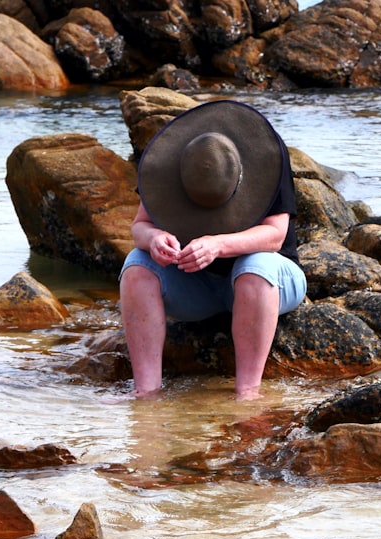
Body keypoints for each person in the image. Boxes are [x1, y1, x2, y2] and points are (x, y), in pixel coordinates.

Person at [119, 100, 307, 401]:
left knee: (255, 266)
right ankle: (146, 391)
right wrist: (154, 237)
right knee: (136, 264)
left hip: (271, 281)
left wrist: (218, 245)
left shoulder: (268, 155)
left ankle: (248, 391)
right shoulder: (171, 162)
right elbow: (139, 226)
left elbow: (275, 235)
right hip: (197, 287)